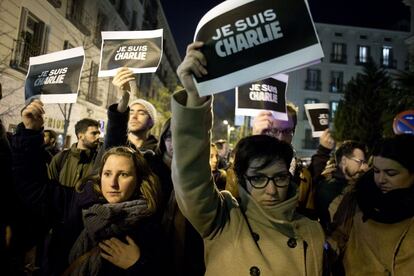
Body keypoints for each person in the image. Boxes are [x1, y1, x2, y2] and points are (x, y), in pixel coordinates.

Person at [171, 41, 324, 275]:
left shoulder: (312, 231)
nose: (271, 190)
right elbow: (191, 176)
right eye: (259, 178)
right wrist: (195, 97)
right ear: (243, 179)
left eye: (280, 178)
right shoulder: (223, 219)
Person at [12, 100, 164, 275]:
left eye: (123, 174)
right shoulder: (80, 201)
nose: (113, 183)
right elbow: (32, 187)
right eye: (107, 174)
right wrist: (30, 132)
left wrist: (138, 265)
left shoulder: (149, 226)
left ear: (139, 179)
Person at [326, 134, 414, 275]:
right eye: (377, 171)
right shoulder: (357, 199)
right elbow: (336, 238)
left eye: (391, 173)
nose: (381, 179)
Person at [245, 107, 335, 218]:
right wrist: (255, 142)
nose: (281, 137)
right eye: (274, 130)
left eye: (287, 131)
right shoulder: (245, 164)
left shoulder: (304, 176)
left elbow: (308, 216)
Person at [315, 140, 368, 231]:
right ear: (343, 161)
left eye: (364, 162)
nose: (364, 167)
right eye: (359, 162)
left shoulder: (359, 184)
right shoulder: (328, 189)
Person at [104, 67, 158, 153]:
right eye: (131, 112)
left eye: (141, 113)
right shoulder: (115, 146)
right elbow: (114, 132)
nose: (134, 117)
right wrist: (124, 99)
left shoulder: (158, 153)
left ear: (151, 121)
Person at [48, 118, 102, 187]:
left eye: (98, 133)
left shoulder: (99, 159)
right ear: (80, 136)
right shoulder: (61, 158)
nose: (98, 137)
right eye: (94, 133)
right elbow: (50, 186)